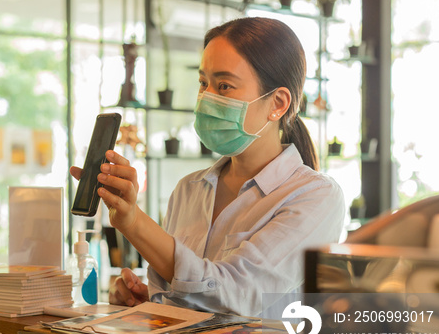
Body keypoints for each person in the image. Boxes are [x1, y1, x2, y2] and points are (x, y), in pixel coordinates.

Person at [70, 16, 345, 317]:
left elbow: (237, 293)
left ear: (278, 103)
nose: (206, 99)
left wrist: (134, 222)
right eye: (203, 83)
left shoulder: (316, 196)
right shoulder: (188, 189)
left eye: (224, 86)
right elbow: (186, 294)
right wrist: (148, 298)